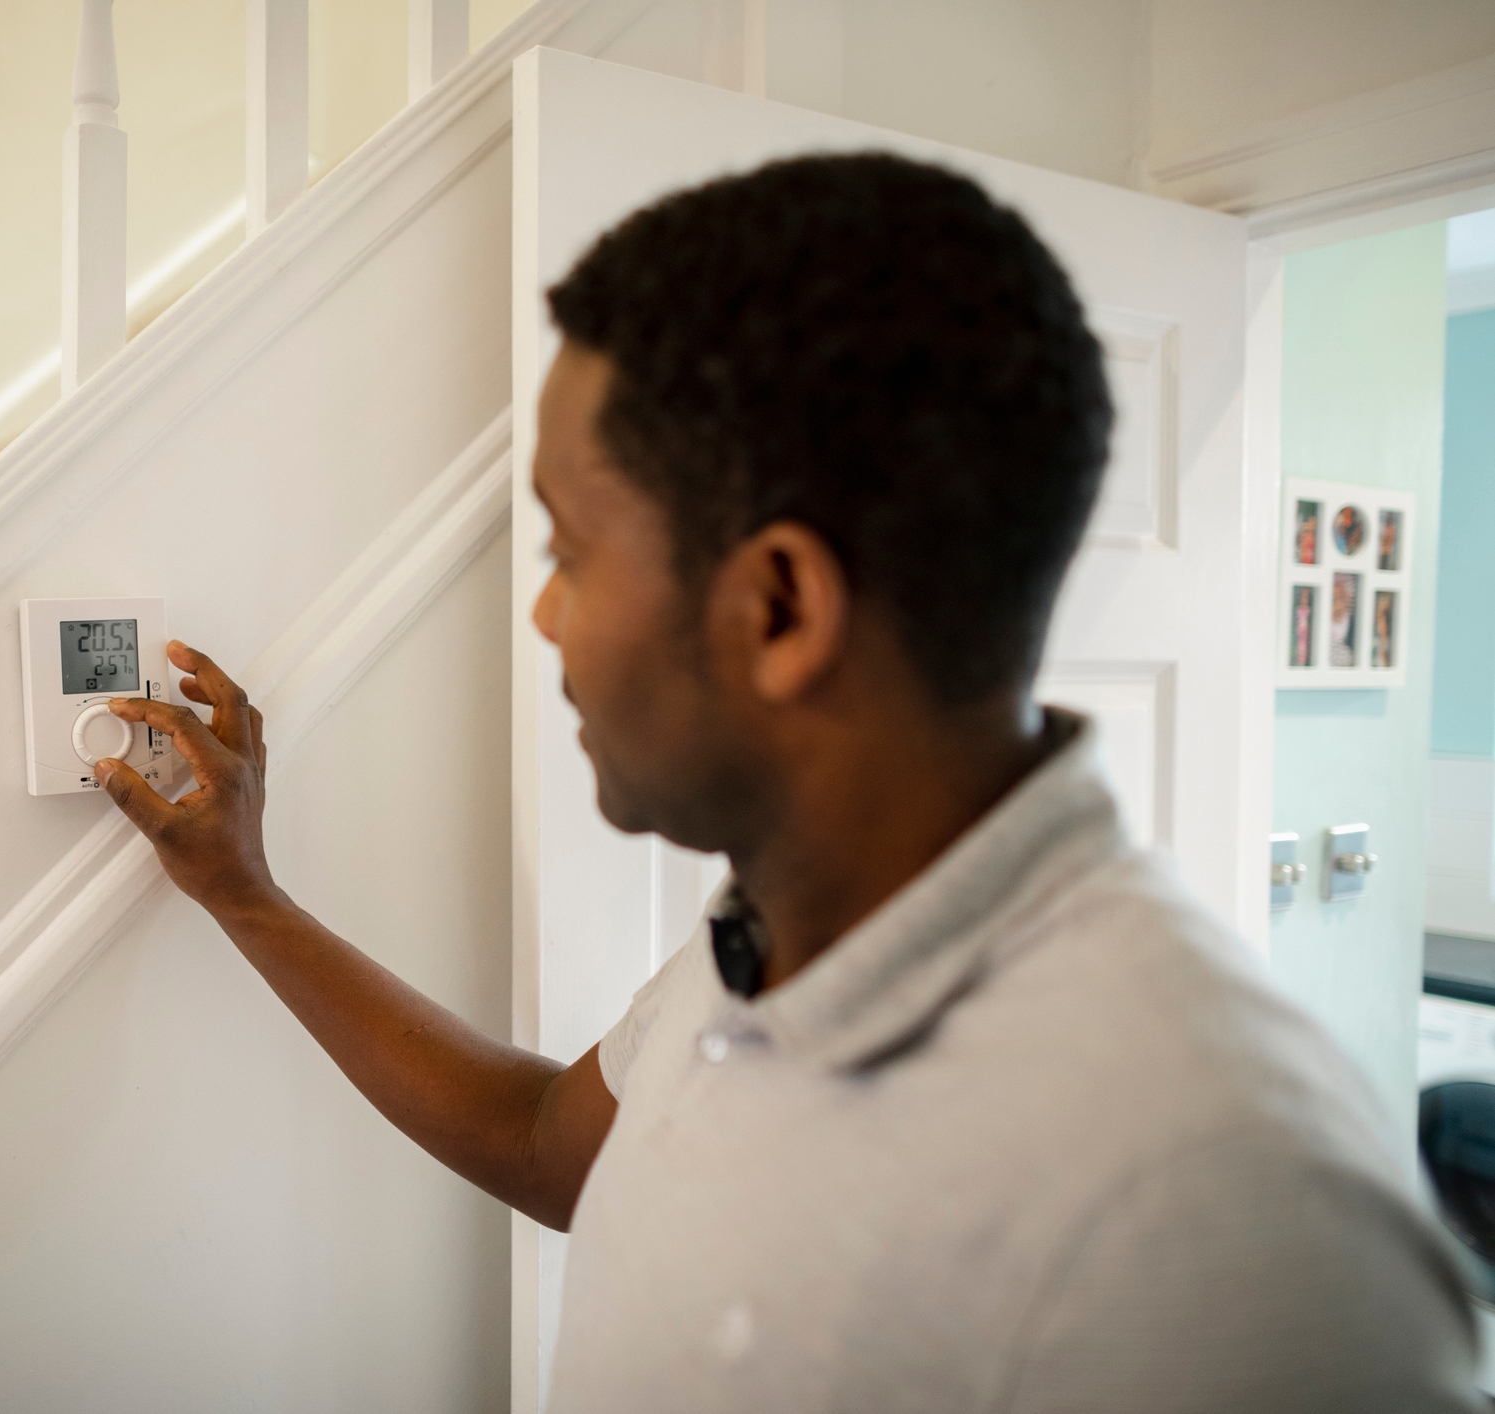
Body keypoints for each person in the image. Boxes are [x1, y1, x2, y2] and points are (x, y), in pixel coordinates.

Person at [92, 154, 1482, 1410]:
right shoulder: (769, 930)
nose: (544, 618)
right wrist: (245, 894)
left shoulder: (1238, 1229)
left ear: (776, 608)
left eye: (567, 550)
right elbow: (542, 1138)